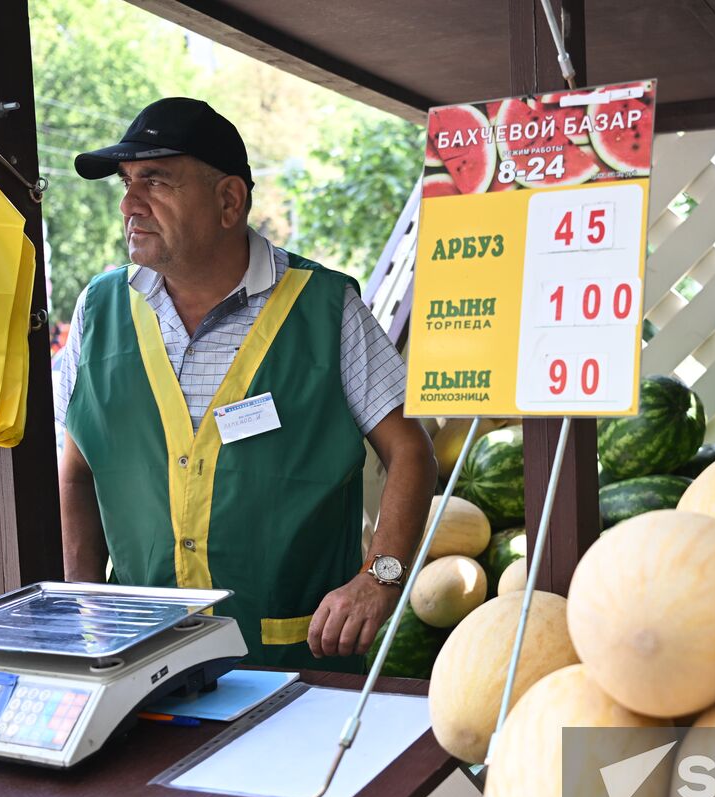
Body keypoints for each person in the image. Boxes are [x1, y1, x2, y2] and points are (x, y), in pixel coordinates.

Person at [55, 97, 435, 672]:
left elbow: (411, 450)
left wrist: (380, 579)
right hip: (142, 665)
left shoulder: (325, 307)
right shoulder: (98, 310)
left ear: (229, 200)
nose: (130, 204)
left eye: (155, 181)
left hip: (295, 665)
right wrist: (88, 614)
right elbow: (76, 472)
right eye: (126, 184)